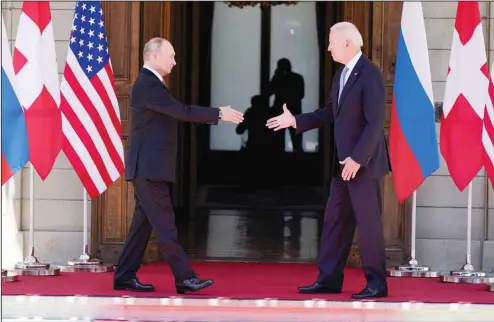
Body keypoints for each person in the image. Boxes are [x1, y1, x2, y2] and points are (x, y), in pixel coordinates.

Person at [266, 22, 390, 299]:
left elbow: (373, 124)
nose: (329, 47)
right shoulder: (341, 76)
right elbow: (328, 113)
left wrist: (357, 159)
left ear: (347, 43)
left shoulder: (370, 74)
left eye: (332, 42)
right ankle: (329, 279)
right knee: (335, 222)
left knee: (369, 226)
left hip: (363, 165)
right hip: (342, 165)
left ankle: (377, 284)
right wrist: (295, 120)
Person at [113, 37, 244, 293]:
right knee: (166, 225)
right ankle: (184, 277)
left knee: (142, 225)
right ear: (153, 56)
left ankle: (124, 276)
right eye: (170, 56)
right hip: (149, 169)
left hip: (150, 168)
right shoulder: (147, 85)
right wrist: (218, 113)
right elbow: (181, 110)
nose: (175, 61)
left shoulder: (153, 84)